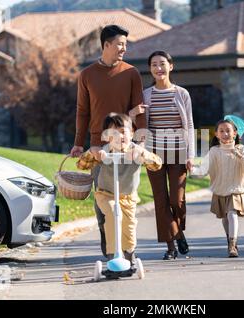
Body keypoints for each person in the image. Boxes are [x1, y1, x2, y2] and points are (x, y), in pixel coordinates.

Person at [70, 25, 147, 257]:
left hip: (126, 145)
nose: (124, 48)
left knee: (126, 198)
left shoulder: (131, 73)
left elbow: (139, 109)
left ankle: (127, 247)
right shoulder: (87, 75)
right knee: (102, 198)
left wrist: (141, 140)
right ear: (106, 45)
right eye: (120, 44)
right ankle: (109, 244)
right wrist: (78, 143)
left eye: (125, 44)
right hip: (97, 145)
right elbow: (82, 111)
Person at [76, 113, 162, 263]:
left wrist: (143, 154)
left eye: (123, 132)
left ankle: (129, 254)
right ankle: (112, 256)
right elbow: (81, 165)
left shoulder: (136, 150)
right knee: (113, 216)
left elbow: (157, 164)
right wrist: (92, 153)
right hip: (106, 194)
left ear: (133, 133)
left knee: (129, 226)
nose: (119, 136)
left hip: (128, 196)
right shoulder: (105, 151)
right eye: (114, 133)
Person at [138, 51, 195, 260]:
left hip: (179, 151)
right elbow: (142, 125)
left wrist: (191, 154)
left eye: (162, 64)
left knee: (176, 199)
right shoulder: (146, 95)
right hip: (154, 154)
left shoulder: (182, 94)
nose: (158, 68)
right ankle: (172, 245)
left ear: (171, 66)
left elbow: (188, 124)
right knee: (160, 200)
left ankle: (178, 231)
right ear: (150, 69)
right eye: (154, 64)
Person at [191, 115, 244, 257]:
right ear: (216, 134)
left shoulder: (242, 149)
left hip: (236, 188)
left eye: (228, 130)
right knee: (224, 217)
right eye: (221, 131)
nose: (225, 134)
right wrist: (191, 169)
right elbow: (203, 170)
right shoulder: (214, 151)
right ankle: (229, 239)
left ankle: (233, 245)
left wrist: (241, 156)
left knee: (232, 214)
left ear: (235, 133)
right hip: (220, 189)